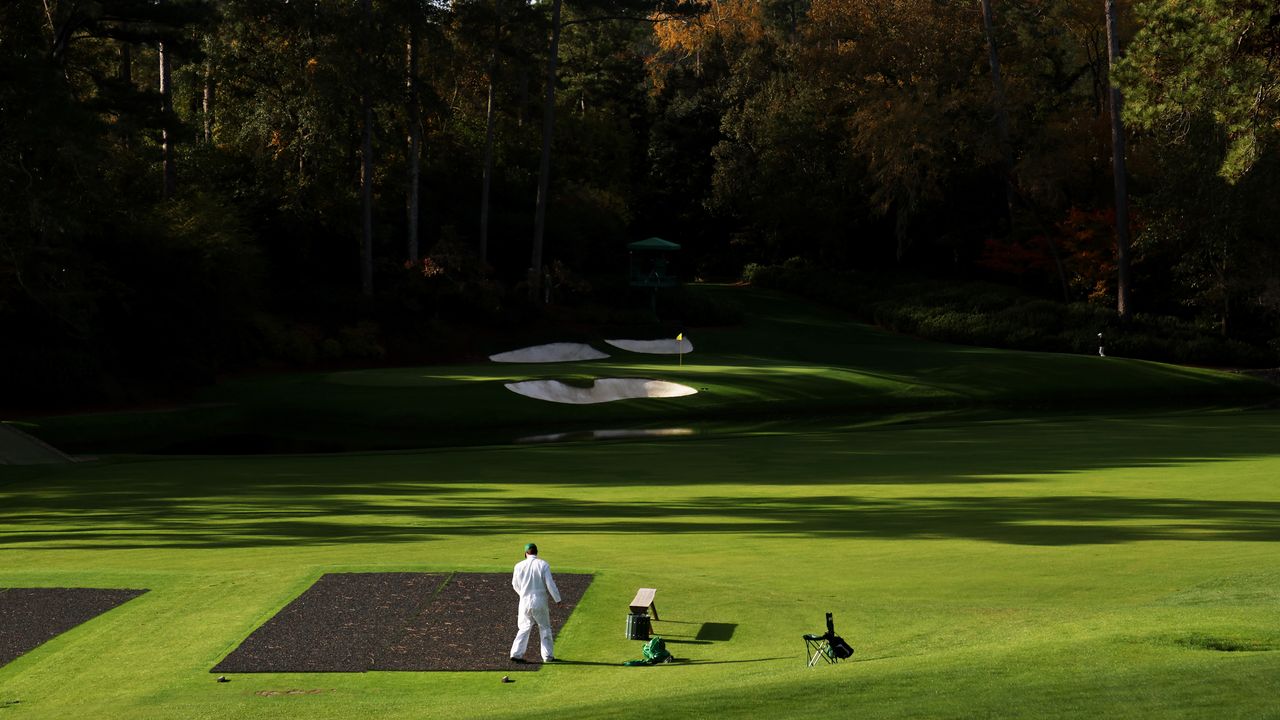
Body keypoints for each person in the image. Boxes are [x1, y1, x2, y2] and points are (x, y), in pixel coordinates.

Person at [509, 542, 562, 663]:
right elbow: (550, 584)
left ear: (525, 553)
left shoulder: (518, 566)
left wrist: (522, 594)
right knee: (544, 627)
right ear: (537, 552)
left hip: (524, 601)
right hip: (540, 600)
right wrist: (557, 599)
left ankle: (516, 653)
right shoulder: (543, 564)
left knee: (524, 627)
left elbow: (515, 584)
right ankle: (548, 656)